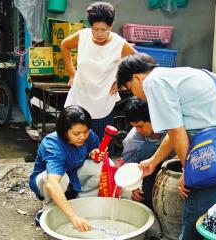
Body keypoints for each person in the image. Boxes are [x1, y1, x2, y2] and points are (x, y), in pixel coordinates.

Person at [116, 53, 216, 239]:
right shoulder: (172, 77)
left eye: (130, 89)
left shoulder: (153, 83)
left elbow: (177, 132)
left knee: (197, 195)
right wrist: (154, 161)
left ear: (137, 78)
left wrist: (190, 172)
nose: (135, 95)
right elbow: (175, 131)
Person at [61, 1, 136, 144]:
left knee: (99, 146)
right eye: (95, 29)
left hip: (103, 102)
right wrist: (71, 73)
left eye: (104, 29)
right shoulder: (83, 36)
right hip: (79, 97)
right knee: (71, 141)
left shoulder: (119, 44)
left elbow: (137, 62)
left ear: (111, 25)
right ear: (90, 26)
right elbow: (64, 45)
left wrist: (121, 81)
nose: (100, 34)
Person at [29, 105, 106, 232]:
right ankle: (48, 208)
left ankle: (79, 203)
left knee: (102, 166)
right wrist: (73, 217)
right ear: (64, 132)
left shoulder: (89, 135)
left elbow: (94, 152)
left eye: (85, 131)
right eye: (77, 133)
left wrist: (92, 154)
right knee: (61, 178)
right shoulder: (53, 144)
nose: (83, 137)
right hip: (45, 182)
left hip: (73, 174)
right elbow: (51, 183)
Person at [121, 97, 164, 207]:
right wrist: (134, 188)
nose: (138, 131)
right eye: (135, 127)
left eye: (140, 126)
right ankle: (147, 198)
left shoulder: (169, 128)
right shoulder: (131, 141)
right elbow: (128, 168)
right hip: (147, 171)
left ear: (152, 119)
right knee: (149, 149)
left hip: (170, 165)